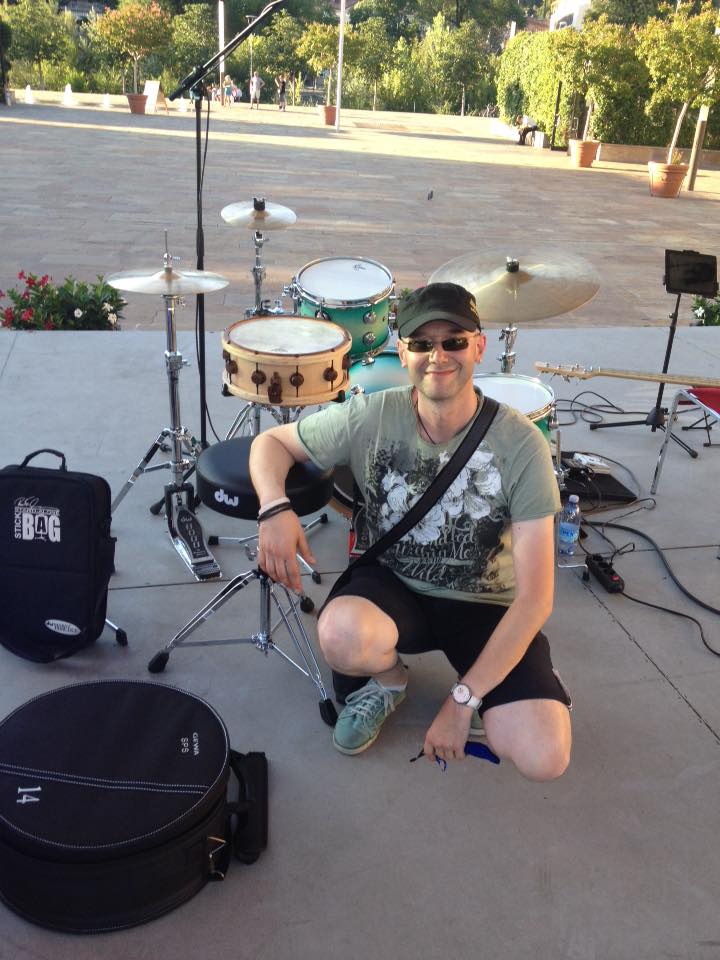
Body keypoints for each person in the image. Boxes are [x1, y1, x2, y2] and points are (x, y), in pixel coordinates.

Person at [249, 283, 572, 781]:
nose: (437, 356)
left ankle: (490, 681)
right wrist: (274, 508)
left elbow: (535, 601)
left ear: (479, 347)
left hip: (485, 603)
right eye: (421, 343)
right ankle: (390, 681)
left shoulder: (521, 444)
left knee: (544, 756)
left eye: (453, 341)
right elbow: (271, 443)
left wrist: (460, 703)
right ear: (402, 353)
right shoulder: (372, 415)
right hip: (395, 584)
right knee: (339, 634)